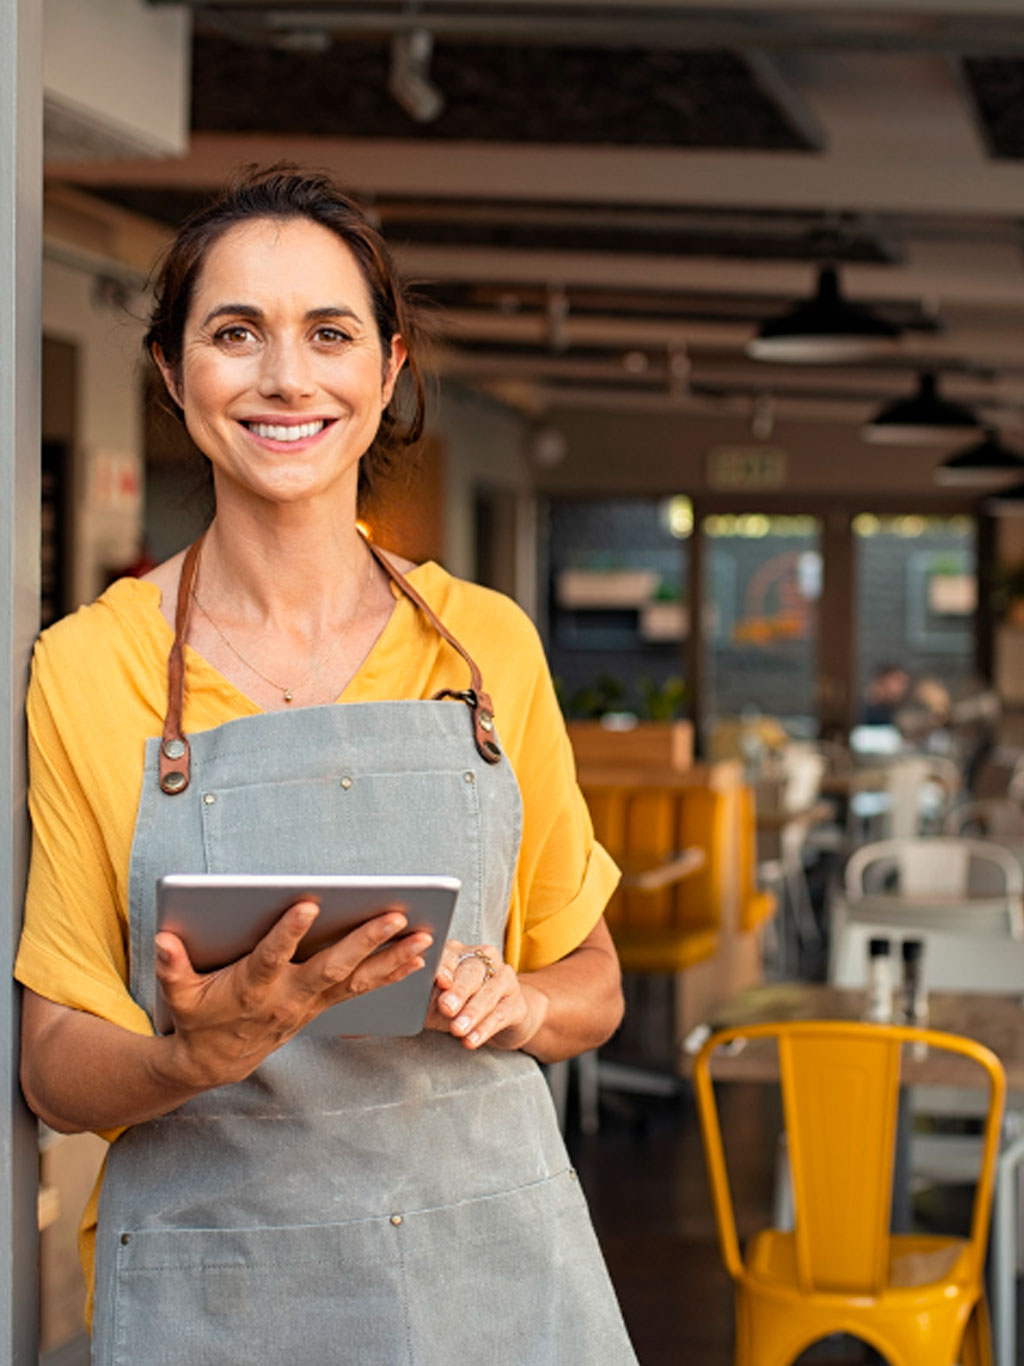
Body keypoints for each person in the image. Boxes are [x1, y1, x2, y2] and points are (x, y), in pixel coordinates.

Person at [16, 166, 637, 1364]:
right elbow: (51, 1067)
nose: (286, 377)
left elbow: (592, 977)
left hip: (489, 1273)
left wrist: (524, 1002)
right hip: (223, 1288)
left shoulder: (484, 644)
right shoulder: (92, 667)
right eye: (234, 332)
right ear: (171, 372)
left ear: (388, 368)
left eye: (329, 333)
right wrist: (195, 1051)